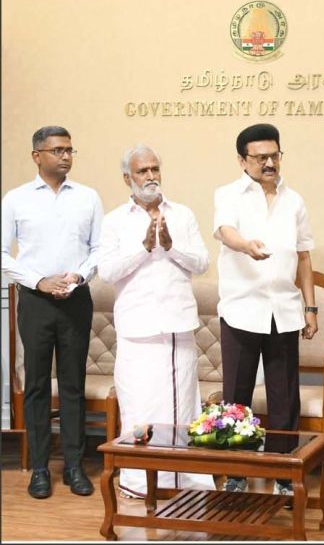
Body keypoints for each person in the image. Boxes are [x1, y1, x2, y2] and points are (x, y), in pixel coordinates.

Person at [97, 145, 215, 499]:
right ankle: (138, 482)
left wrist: (171, 246)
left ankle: (184, 480)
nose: (150, 176)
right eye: (142, 171)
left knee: (181, 407)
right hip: (136, 328)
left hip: (177, 326)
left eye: (154, 169)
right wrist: (144, 247)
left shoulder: (182, 214)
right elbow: (107, 272)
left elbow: (202, 263)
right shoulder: (115, 221)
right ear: (127, 178)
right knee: (140, 406)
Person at [213, 123, 318, 497]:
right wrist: (245, 245)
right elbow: (225, 231)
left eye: (274, 156)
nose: (269, 163)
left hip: (284, 312)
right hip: (242, 309)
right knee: (236, 396)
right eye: (260, 158)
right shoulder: (228, 194)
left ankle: (283, 473)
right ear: (243, 161)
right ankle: (237, 472)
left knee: (284, 397)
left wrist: (310, 307)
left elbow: (304, 257)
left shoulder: (295, 200)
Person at [1, 126, 103, 499]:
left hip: (76, 299)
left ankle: (75, 466)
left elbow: (99, 249)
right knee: (37, 385)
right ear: (37, 156)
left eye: (69, 150)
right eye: (57, 150)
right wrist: (39, 281)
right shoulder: (16, 199)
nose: (65, 156)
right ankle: (40, 468)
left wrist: (78, 276)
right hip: (35, 302)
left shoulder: (88, 197)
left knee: (73, 385)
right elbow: (2, 254)